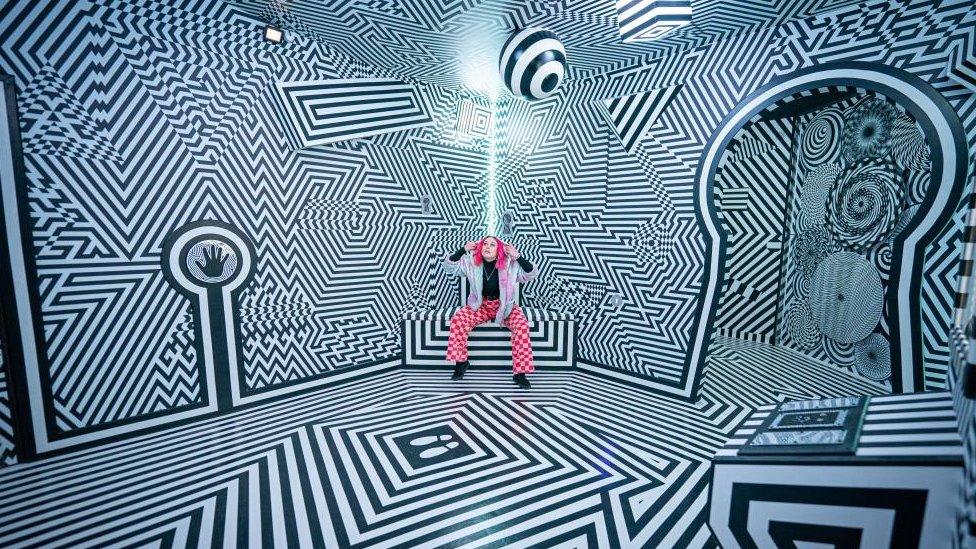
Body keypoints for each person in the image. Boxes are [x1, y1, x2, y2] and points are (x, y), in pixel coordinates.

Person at [442, 236, 538, 388]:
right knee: (458, 319)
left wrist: (517, 256)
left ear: (499, 249)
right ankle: (461, 362)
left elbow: (530, 274)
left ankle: (520, 374)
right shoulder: (472, 262)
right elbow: (449, 267)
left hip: (506, 307)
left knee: (522, 326)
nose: (487, 247)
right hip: (481, 306)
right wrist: (463, 250)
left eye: (492, 245)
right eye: (485, 244)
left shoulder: (510, 264)